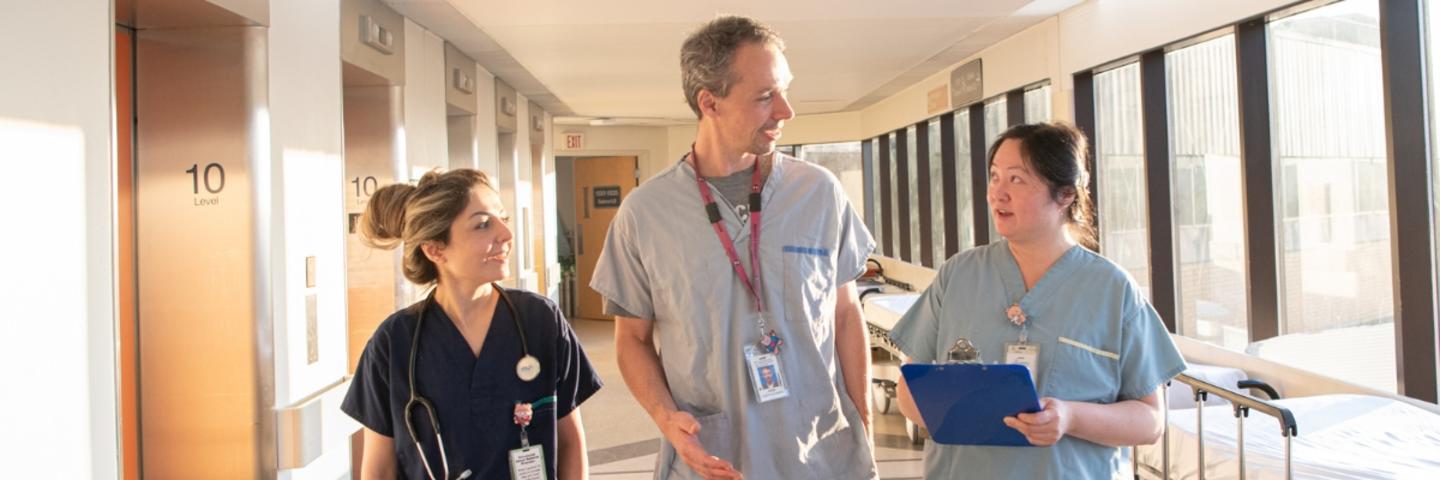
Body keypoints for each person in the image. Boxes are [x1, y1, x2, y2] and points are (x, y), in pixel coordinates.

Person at [590, 15, 879, 480]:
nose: (786, 110)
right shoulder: (646, 213)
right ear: (710, 102)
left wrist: (862, 427)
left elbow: (846, 316)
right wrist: (666, 419)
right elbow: (633, 339)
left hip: (823, 455)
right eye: (765, 96)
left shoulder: (819, 194)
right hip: (713, 457)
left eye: (784, 90)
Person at [889, 123, 1186, 479]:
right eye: (995, 176)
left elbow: (1150, 420)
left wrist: (1071, 417)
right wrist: (963, 418)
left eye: (1016, 179)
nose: (997, 193)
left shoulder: (1112, 289)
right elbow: (908, 387)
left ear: (1065, 194)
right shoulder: (959, 274)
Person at [342, 169, 603, 480]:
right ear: (435, 249)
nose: (506, 234)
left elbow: (570, 441)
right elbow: (379, 468)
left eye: (502, 218)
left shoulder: (541, 321)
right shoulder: (394, 343)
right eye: (483, 224)